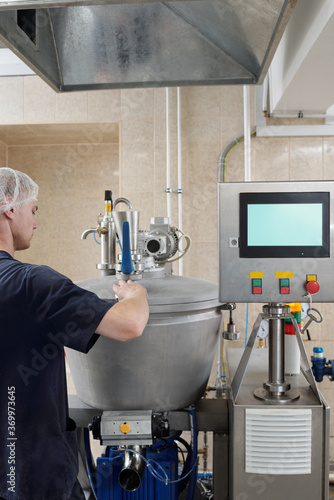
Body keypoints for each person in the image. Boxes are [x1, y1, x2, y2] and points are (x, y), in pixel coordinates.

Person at [0, 168, 149, 500]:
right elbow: (130, 324)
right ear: (9, 207)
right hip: (31, 475)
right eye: (33, 210)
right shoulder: (32, 283)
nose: (35, 222)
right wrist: (136, 293)